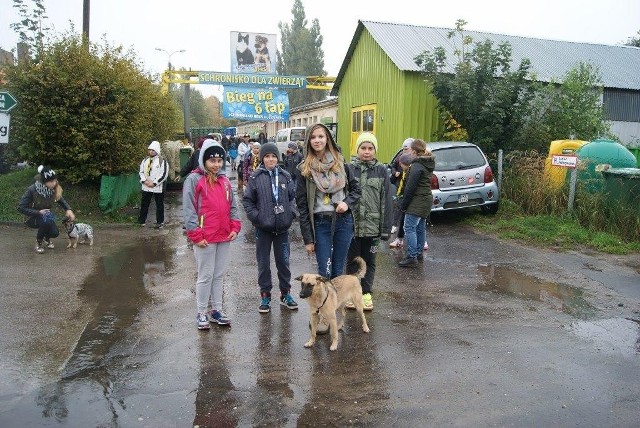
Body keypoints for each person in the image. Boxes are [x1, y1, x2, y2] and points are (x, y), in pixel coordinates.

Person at [183, 139, 241, 329]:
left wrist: (235, 227)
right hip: (205, 238)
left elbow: (233, 205)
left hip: (224, 235)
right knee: (205, 275)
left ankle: (217, 309)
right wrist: (195, 234)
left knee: (219, 275)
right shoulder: (193, 180)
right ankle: (201, 312)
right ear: (203, 160)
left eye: (219, 160)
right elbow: (189, 210)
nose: (216, 164)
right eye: (212, 161)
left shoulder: (224, 181)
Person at [296, 123, 361, 279]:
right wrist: (308, 239)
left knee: (338, 270)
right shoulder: (304, 170)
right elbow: (302, 206)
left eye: (321, 136)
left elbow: (356, 190)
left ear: (328, 139)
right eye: (313, 137)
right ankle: (325, 303)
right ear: (308, 141)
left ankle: (335, 303)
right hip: (320, 223)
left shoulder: (341, 163)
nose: (317, 140)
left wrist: (347, 203)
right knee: (323, 272)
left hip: (343, 221)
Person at [242, 142, 298, 313]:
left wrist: (290, 214)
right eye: (267, 156)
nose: (270, 159)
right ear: (262, 158)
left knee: (284, 262)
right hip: (263, 229)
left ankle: (285, 293)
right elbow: (247, 201)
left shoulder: (285, 176)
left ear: (277, 158)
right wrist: (257, 218)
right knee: (264, 264)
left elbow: (293, 198)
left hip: (282, 228)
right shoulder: (255, 177)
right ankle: (265, 295)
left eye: (273, 156)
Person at [345, 132, 392, 311]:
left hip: (372, 227)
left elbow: (386, 200)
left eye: (370, 148)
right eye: (363, 148)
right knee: (352, 261)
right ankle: (350, 294)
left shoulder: (381, 171)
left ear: (375, 150)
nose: (367, 152)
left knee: (369, 261)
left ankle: (366, 293)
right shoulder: (349, 168)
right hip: (352, 226)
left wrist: (385, 228)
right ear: (357, 149)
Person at [17, 165, 76, 253]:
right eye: (51, 181)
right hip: (31, 217)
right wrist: (39, 212)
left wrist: (68, 209)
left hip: (46, 217)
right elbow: (20, 207)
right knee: (46, 222)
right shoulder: (32, 190)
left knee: (55, 233)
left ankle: (46, 237)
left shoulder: (53, 189)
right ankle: (39, 242)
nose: (54, 183)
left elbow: (60, 200)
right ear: (44, 181)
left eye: (55, 180)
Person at [398, 139, 435, 267]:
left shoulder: (417, 166)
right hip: (426, 199)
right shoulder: (427, 163)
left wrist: (404, 205)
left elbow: (410, 188)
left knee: (409, 227)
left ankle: (411, 256)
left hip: (417, 200)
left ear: (413, 151)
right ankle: (418, 252)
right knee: (420, 227)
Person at [389, 137, 414, 247]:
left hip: (409, 190)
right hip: (400, 185)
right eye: (403, 149)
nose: (404, 151)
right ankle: (394, 225)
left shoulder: (415, 161)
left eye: (406, 149)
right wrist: (395, 173)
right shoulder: (400, 157)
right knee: (398, 205)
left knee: (408, 213)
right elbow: (393, 166)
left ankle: (415, 243)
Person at [138, 140, 169, 228]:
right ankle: (141, 221)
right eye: (150, 150)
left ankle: (160, 222)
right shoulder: (145, 160)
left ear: (157, 151)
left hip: (157, 188)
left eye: (153, 150)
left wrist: (155, 183)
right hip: (146, 186)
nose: (151, 152)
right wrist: (144, 181)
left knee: (159, 205)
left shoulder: (162, 161)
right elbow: (141, 172)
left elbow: (164, 174)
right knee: (144, 204)